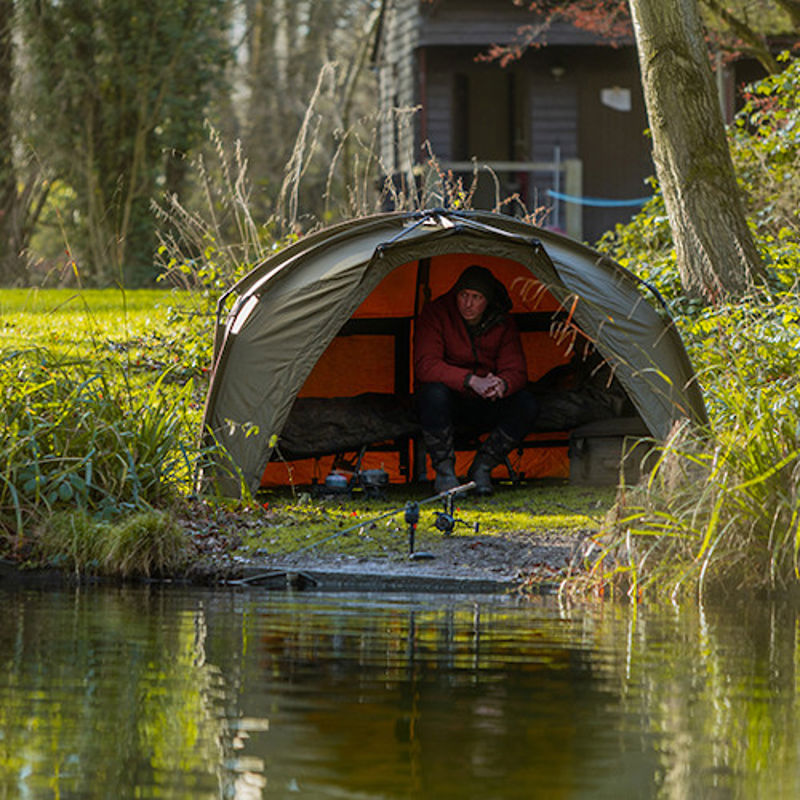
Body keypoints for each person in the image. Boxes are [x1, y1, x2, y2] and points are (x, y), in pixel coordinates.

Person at [413, 264, 539, 495]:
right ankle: (445, 473)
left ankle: (483, 467)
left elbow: (517, 371)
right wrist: (470, 380)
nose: (468, 304)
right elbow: (426, 366)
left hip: (485, 401)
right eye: (463, 295)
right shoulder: (437, 313)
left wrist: (502, 384)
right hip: (448, 401)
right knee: (433, 394)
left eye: (476, 297)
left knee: (526, 403)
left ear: (487, 301)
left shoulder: (502, 322)